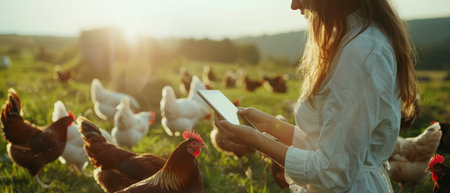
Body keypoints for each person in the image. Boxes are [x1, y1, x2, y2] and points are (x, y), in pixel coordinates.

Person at [214, 0, 418, 192]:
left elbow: (334, 173)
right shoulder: (354, 41)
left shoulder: (361, 52)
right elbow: (329, 143)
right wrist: (267, 125)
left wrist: (254, 139)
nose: (294, 4)